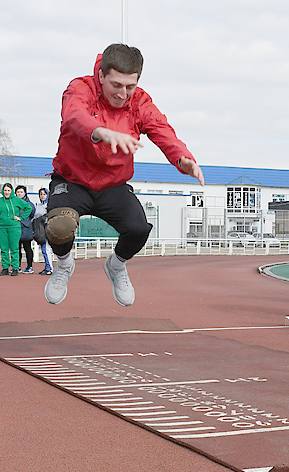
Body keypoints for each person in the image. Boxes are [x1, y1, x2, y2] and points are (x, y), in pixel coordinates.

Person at [44, 43, 204, 306]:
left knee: (139, 229)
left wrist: (183, 158)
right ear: (101, 76)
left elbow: (162, 130)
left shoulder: (139, 101)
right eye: (116, 85)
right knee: (60, 226)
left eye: (130, 86)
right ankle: (63, 264)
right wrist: (101, 131)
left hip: (113, 185)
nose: (123, 94)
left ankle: (116, 266)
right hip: (73, 180)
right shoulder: (80, 88)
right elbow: (73, 114)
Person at [0, 182, 32, 276]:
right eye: (5, 190)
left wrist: (21, 217)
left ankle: (15, 268)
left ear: (11, 191)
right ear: (2, 191)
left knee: (14, 248)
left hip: (14, 227)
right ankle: (5, 268)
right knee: (4, 249)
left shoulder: (16, 200)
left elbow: (28, 208)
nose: (6, 192)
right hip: (1, 227)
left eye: (8, 190)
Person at [15, 185, 36, 273]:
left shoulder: (29, 204)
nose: (19, 194)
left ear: (25, 193)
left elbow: (32, 214)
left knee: (27, 248)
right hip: (15, 229)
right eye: (18, 192)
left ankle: (29, 266)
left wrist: (25, 222)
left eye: (21, 192)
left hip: (26, 229)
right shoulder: (13, 202)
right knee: (16, 249)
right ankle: (17, 266)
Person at [34, 188, 53, 275]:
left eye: (44, 194)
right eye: (41, 194)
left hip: (47, 230)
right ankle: (47, 267)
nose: (42, 196)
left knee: (46, 249)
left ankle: (50, 268)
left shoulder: (49, 205)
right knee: (44, 249)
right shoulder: (38, 206)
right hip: (40, 230)